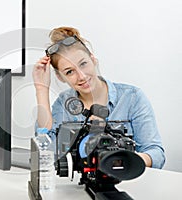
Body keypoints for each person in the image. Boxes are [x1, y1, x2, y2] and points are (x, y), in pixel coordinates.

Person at [32, 26, 165, 169]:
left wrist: (121, 161)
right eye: (70, 72)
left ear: (93, 59)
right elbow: (46, 150)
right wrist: (41, 89)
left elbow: (156, 153)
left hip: (126, 180)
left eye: (83, 64)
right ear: (60, 77)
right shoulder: (64, 103)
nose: (82, 76)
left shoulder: (132, 98)